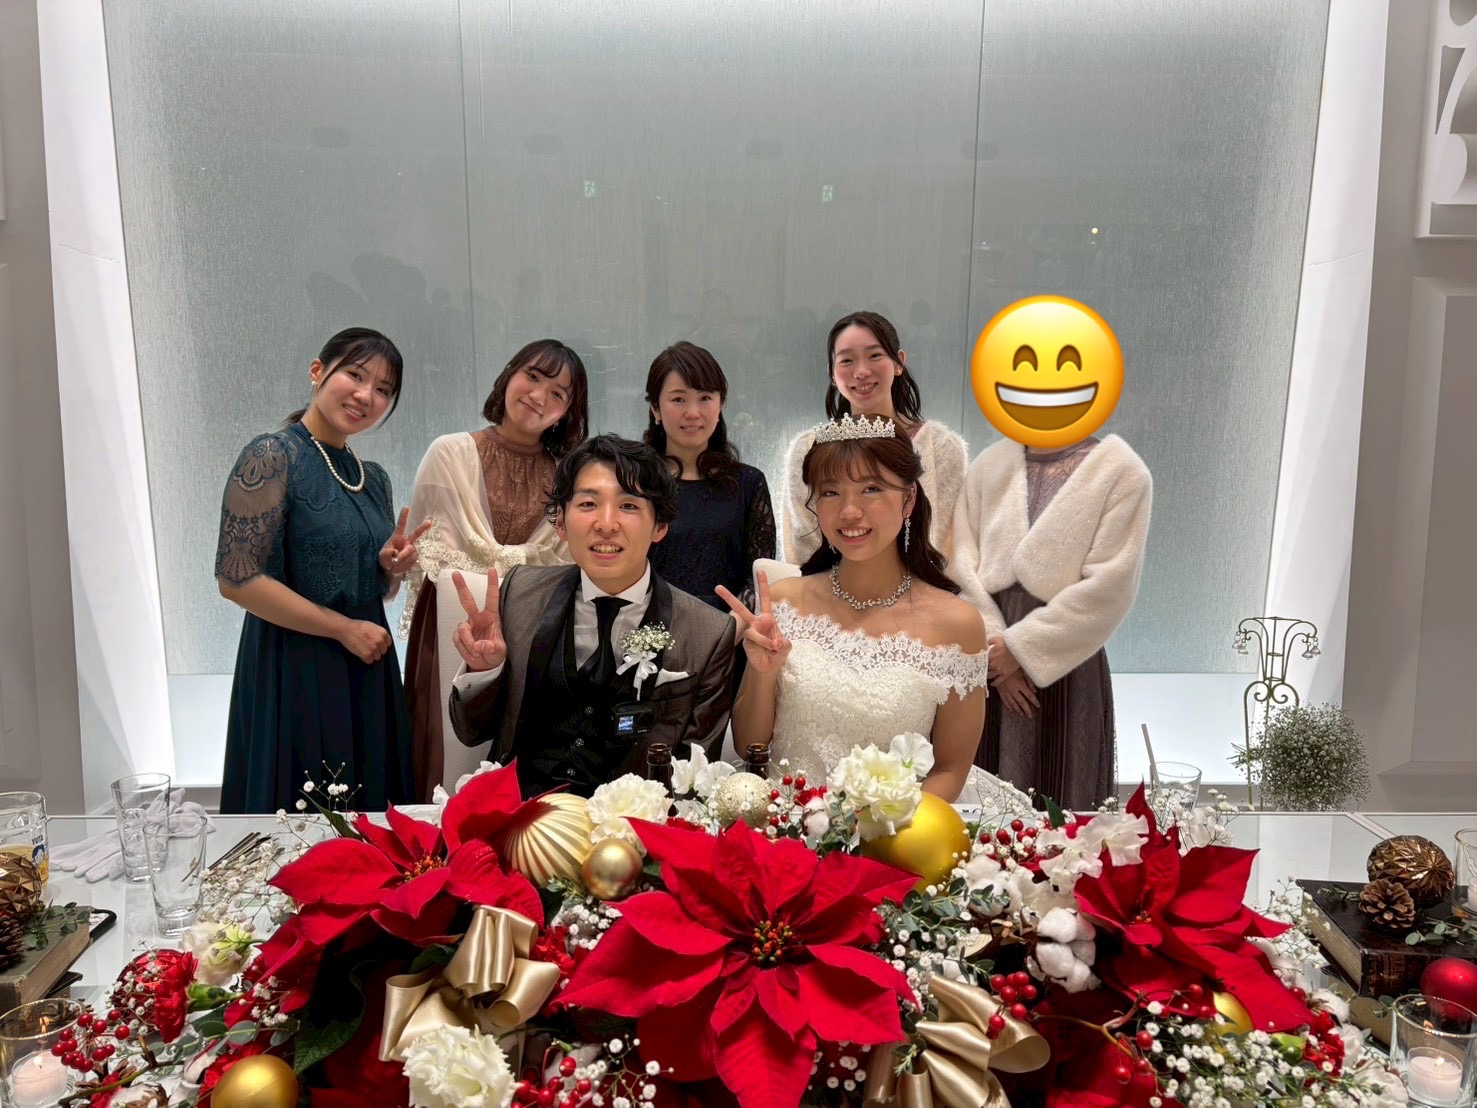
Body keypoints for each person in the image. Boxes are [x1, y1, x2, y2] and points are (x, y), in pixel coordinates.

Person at [723, 418, 1025, 810]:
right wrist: (763, 673)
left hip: (900, 830)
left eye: (871, 489)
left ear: (908, 499)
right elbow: (750, 747)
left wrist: (875, 829)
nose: (849, 511)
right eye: (831, 492)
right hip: (787, 824)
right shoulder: (781, 603)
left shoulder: (958, 624)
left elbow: (950, 770)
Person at [445, 435, 736, 798]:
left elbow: (694, 781)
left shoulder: (709, 633)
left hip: (630, 823)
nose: (606, 523)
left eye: (628, 505)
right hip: (520, 811)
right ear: (561, 523)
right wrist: (483, 670)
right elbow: (472, 732)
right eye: (588, 503)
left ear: (659, 526)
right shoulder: (519, 594)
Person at [216, 327, 425, 813]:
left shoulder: (372, 478)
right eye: (356, 375)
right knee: (302, 819)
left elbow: (368, 587)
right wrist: (342, 629)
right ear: (317, 371)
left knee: (369, 824)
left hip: (365, 664)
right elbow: (237, 580)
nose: (366, 395)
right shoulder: (272, 455)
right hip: (293, 666)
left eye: (383, 389)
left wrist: (389, 568)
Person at [402, 340, 589, 799]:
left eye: (559, 393)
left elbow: (568, 569)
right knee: (443, 768)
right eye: (533, 377)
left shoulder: (570, 478)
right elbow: (428, 558)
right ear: (509, 375)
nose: (540, 396)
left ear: (568, 412)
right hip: (449, 628)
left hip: (533, 635)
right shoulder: (449, 453)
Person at [950, 433, 1152, 810]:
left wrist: (1020, 650)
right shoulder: (991, 464)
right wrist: (997, 657)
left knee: (1065, 798)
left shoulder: (1121, 472)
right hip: (987, 656)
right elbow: (960, 562)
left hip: (1067, 657)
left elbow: (1111, 584)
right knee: (986, 802)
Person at [781, 311, 967, 565]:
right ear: (832, 374)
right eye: (847, 360)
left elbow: (949, 546)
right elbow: (802, 545)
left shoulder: (940, 446)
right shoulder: (807, 448)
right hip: (826, 586)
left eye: (874, 355)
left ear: (899, 362)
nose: (861, 371)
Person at [643, 341, 775, 610]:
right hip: (647, 627)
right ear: (655, 408)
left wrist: (730, 627)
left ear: (721, 404)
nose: (693, 413)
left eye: (705, 398)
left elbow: (759, 577)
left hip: (731, 628)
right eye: (678, 399)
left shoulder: (749, 483)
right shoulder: (635, 481)